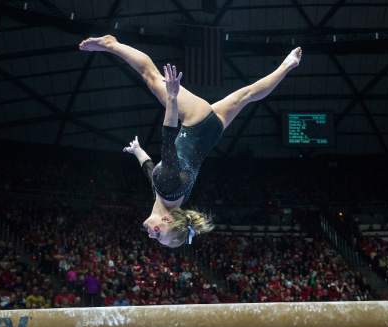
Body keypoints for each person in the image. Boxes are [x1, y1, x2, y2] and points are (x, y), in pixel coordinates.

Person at [79, 35, 302, 247]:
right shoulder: (168, 187)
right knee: (151, 75)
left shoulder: (170, 199)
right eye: (159, 235)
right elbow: (167, 140)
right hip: (196, 121)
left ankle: (287, 65)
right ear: (166, 221)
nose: (151, 235)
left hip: (211, 132)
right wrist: (172, 98)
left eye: (156, 240)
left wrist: (138, 151)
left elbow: (150, 171)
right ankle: (111, 43)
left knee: (248, 95)